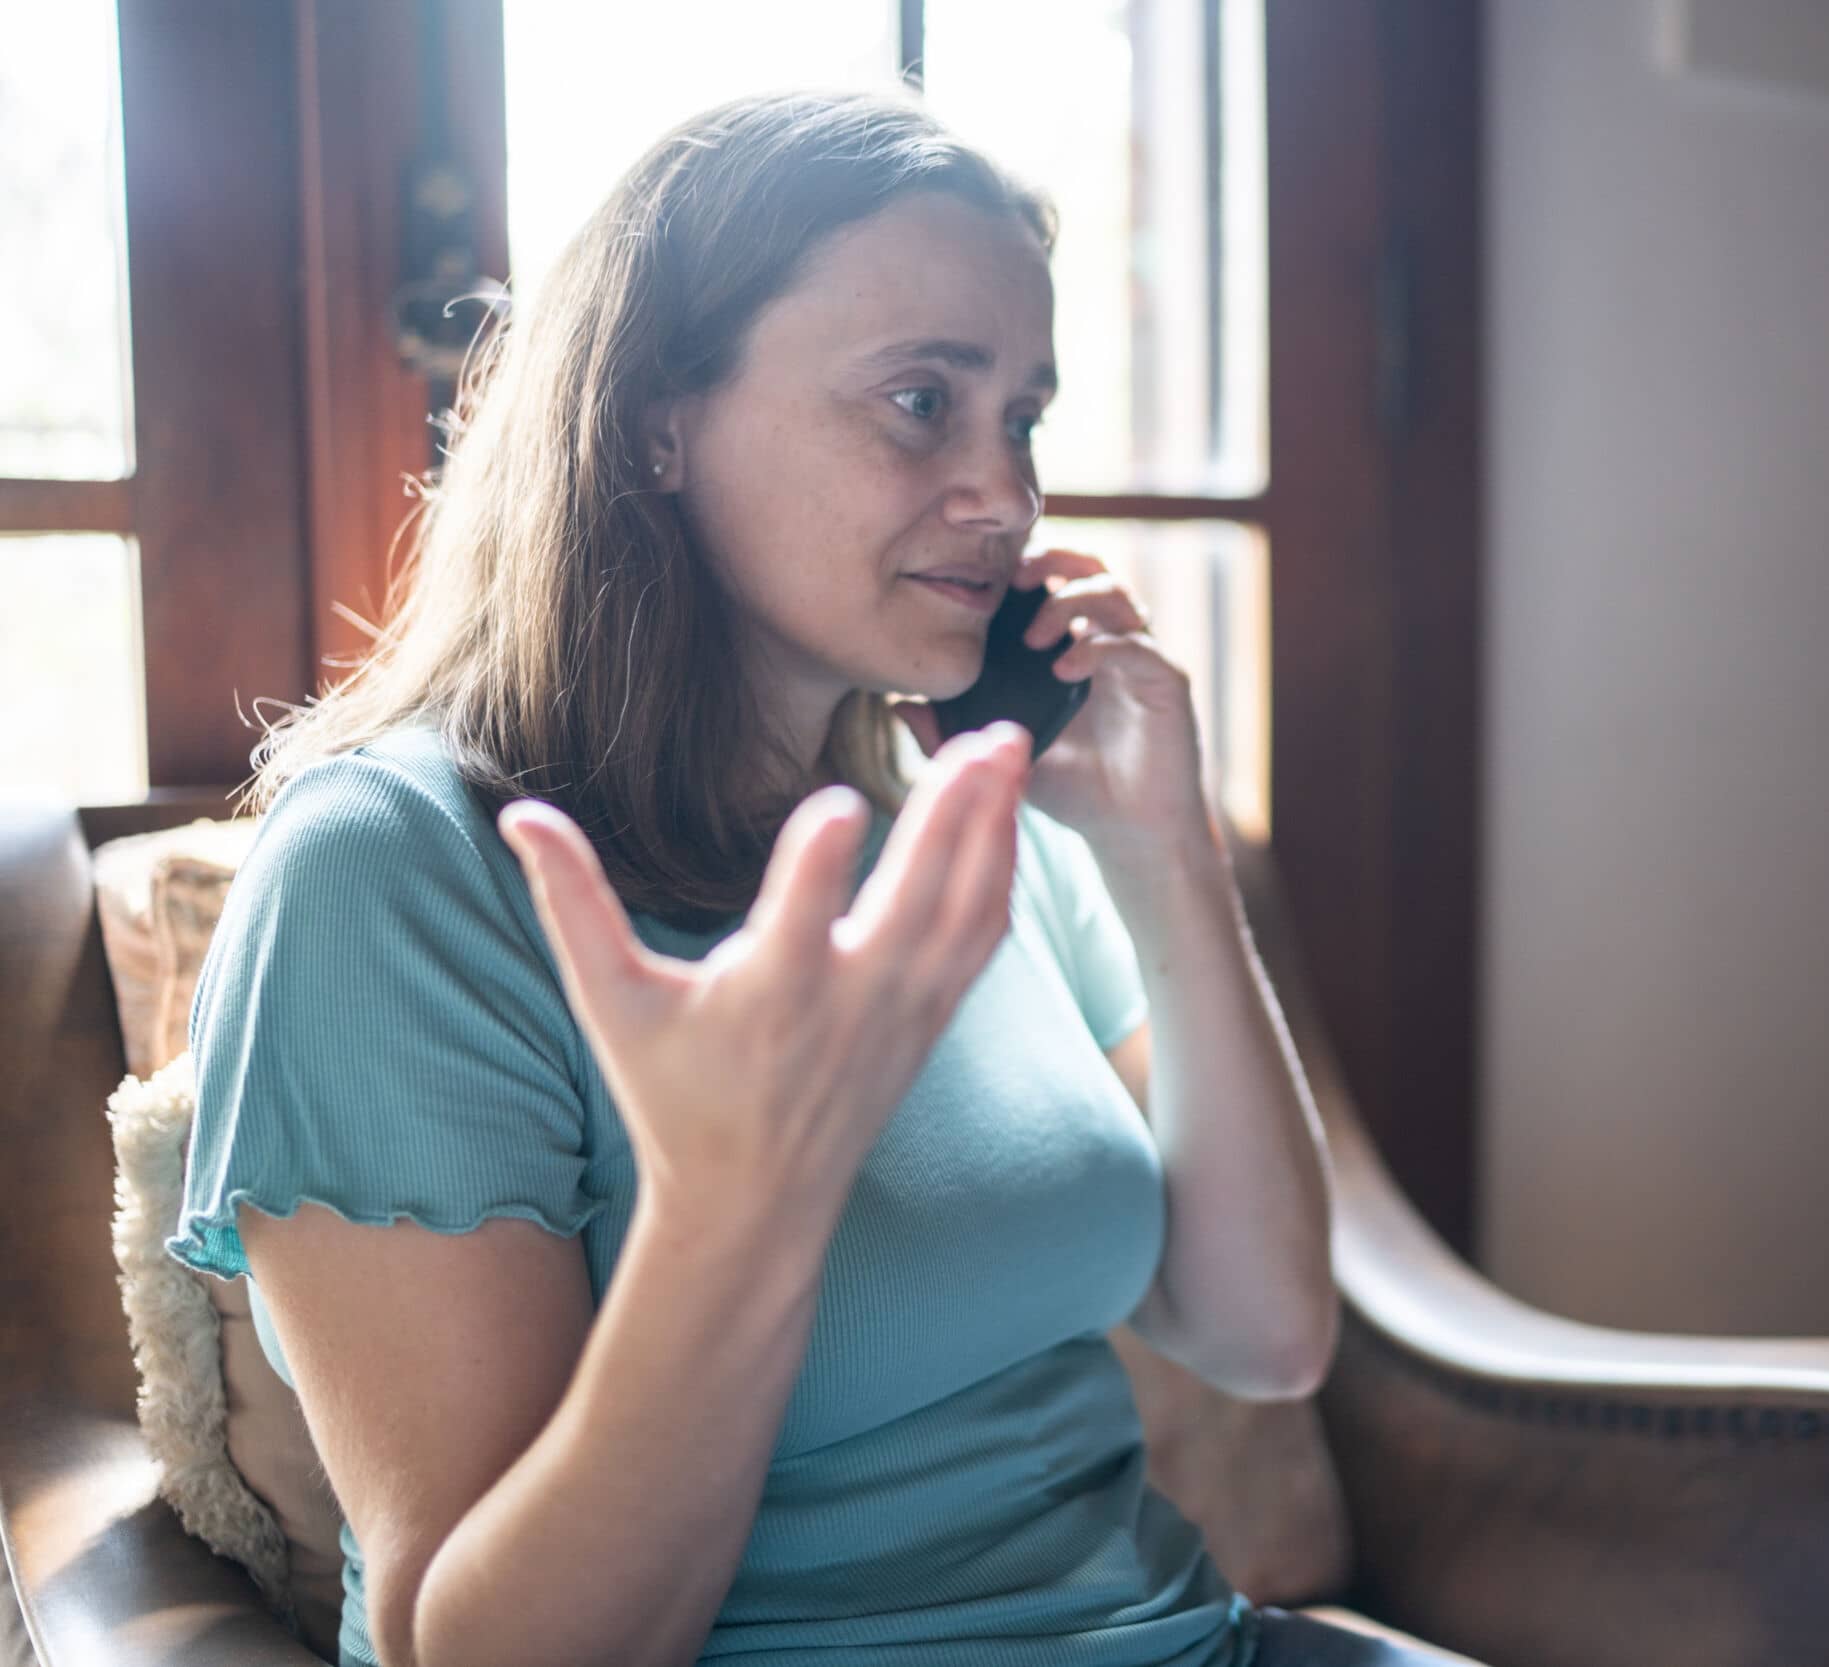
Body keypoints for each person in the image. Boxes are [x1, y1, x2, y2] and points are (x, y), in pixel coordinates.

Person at [170, 89, 1482, 1667]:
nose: (1008, 496)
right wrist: (742, 1200)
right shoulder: (393, 879)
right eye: (922, 401)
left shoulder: (968, 824)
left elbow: (1265, 1335)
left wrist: (1163, 849)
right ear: (657, 416)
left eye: (1025, 418)